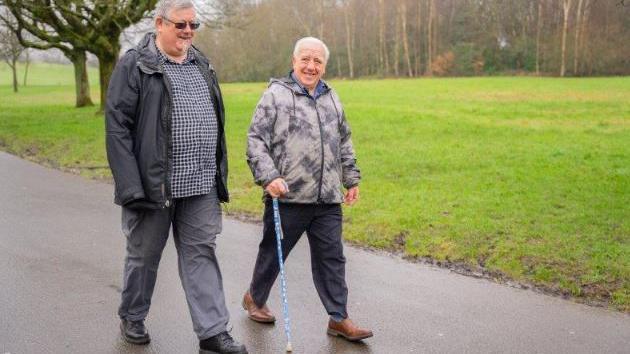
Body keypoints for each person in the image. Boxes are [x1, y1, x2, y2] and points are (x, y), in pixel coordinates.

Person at [105, 1, 247, 353]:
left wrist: (217, 174)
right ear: (159, 23)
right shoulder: (135, 64)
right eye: (180, 24)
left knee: (201, 253)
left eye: (193, 25)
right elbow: (117, 127)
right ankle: (132, 317)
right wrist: (130, 186)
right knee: (143, 256)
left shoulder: (201, 63)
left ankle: (213, 333)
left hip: (200, 185)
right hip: (154, 185)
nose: (187, 31)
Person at [243, 37, 373, 342]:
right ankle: (255, 298)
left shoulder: (332, 97)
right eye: (305, 59)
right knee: (273, 254)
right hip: (287, 195)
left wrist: (351, 178)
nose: (311, 66)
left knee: (332, 258)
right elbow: (255, 140)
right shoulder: (276, 95)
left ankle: (338, 318)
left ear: (324, 66)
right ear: (293, 61)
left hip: (327, 197)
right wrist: (268, 176)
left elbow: (344, 140)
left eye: (317, 61)